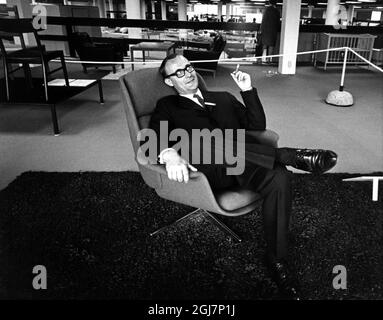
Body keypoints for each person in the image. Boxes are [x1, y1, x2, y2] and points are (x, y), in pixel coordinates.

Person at [149, 54, 338, 300]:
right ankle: (287, 155)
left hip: (245, 165)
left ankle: (277, 260)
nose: (188, 73)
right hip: (207, 173)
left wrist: (247, 90)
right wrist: (169, 154)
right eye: (179, 72)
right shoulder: (168, 106)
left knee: (278, 176)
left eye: (189, 67)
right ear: (168, 81)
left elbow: (257, 127)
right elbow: (150, 141)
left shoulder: (223, 98)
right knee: (204, 141)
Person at [260, 0, 281, 64]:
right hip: (273, 31)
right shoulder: (277, 11)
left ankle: (262, 59)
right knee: (271, 45)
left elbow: (263, 21)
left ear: (269, 3)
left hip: (266, 30)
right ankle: (268, 60)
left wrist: (261, 29)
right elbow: (278, 22)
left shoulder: (267, 10)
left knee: (264, 45)